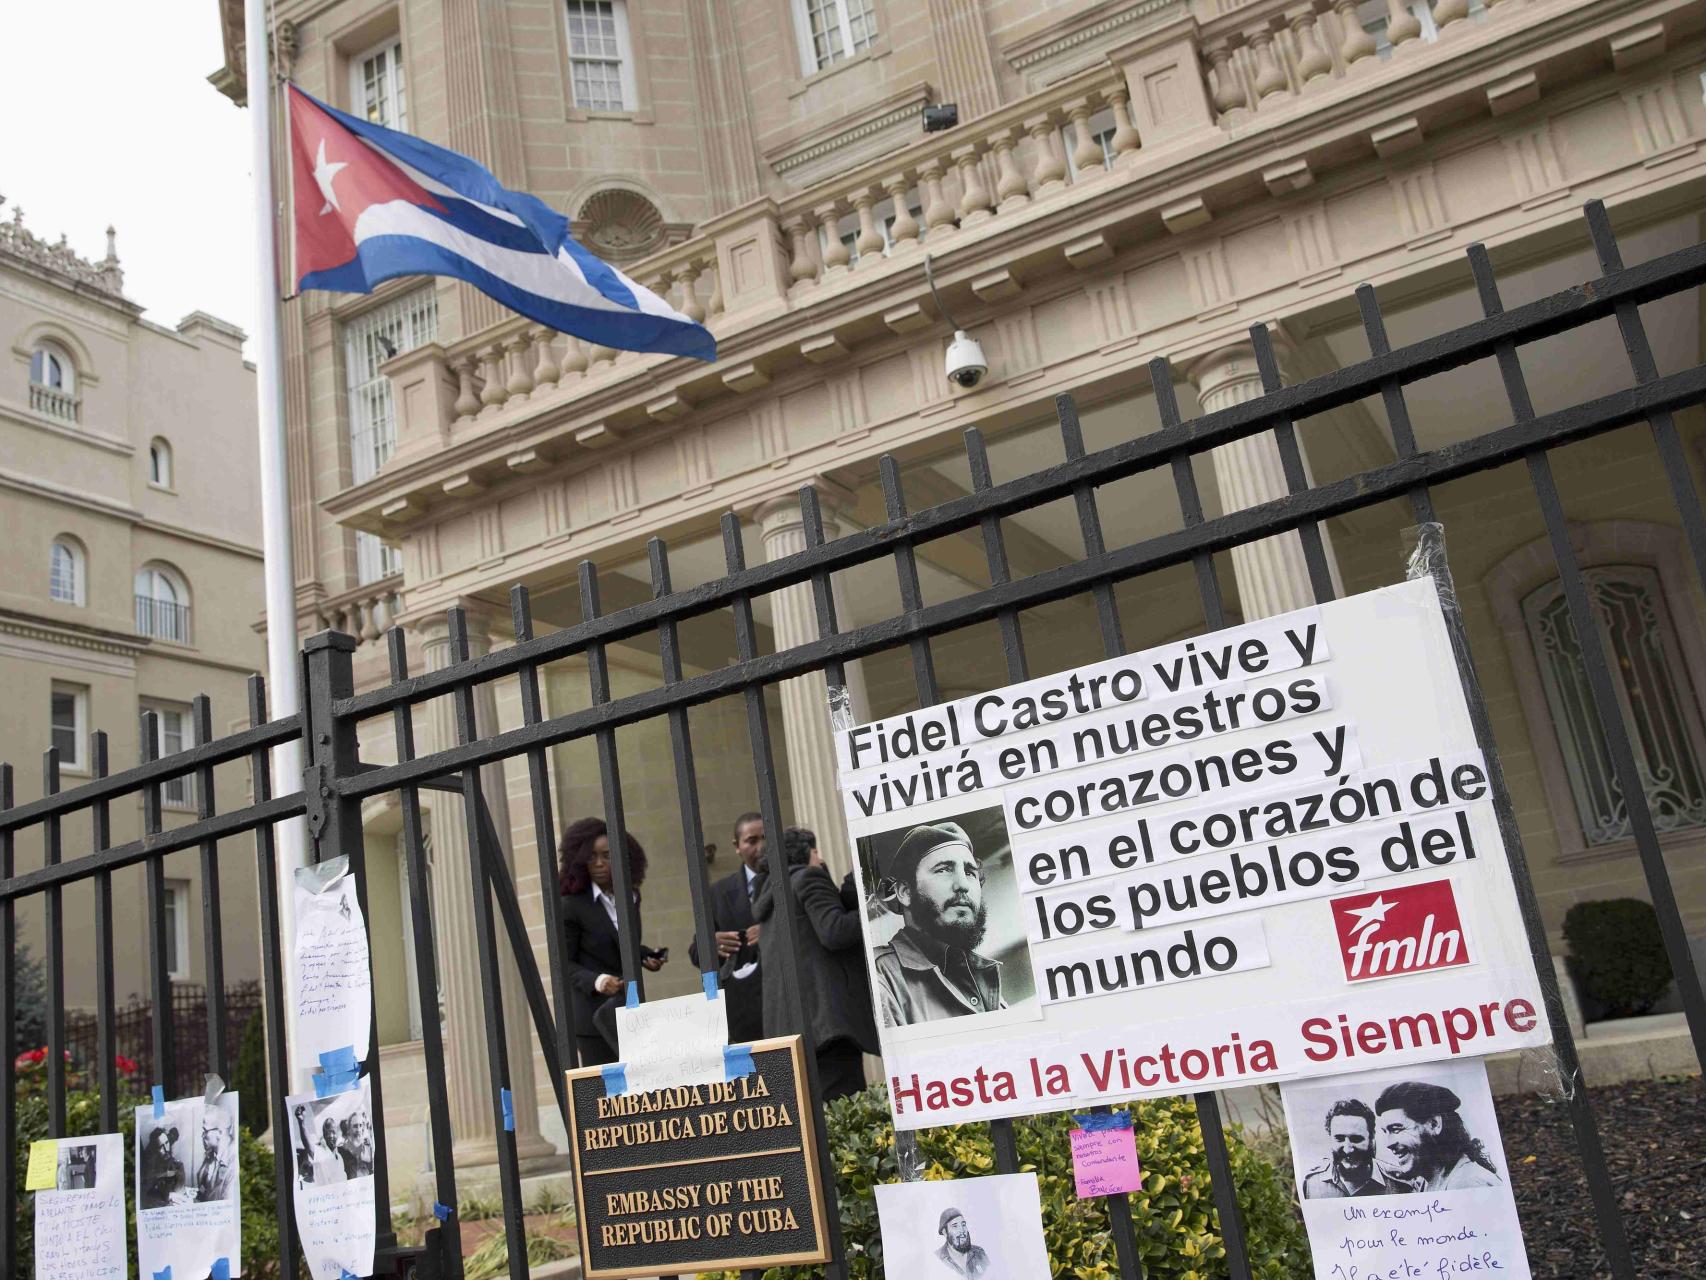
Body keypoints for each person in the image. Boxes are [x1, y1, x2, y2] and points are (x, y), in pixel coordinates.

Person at [750, 826, 878, 1099]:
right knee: (843, 1110)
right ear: (806, 852)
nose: (820, 858)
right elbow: (835, 931)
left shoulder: (773, 894)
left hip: (793, 1033)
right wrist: (875, 912)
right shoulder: (808, 878)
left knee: (816, 1119)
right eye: (816, 851)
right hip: (827, 1027)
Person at [872, 822, 1004, 1027]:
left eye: (970, 872)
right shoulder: (881, 978)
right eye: (943, 870)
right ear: (905, 892)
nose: (962, 884)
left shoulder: (985, 980)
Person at [559, 816, 666, 1067]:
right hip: (594, 1019)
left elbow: (616, 946)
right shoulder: (571, 906)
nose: (599, 863)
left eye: (607, 855)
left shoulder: (630, 896)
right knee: (608, 1096)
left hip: (630, 1012)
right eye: (592, 856)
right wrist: (598, 981)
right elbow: (565, 963)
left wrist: (645, 955)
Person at [687, 811, 767, 1044]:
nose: (761, 846)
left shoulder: (794, 880)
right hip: (744, 1010)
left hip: (790, 999)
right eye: (752, 841)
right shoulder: (718, 893)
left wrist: (771, 931)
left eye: (766, 837)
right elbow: (695, 952)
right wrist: (711, 944)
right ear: (737, 846)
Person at [1373, 1080, 1502, 1191]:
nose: (1388, 1144)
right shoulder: (1430, 1183)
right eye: (1385, 1132)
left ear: (1434, 1124)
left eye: (1396, 1129)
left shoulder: (1468, 1183)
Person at [1302, 1099, 1400, 1198]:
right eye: (1339, 1139)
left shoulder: (1400, 1184)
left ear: (1371, 1137)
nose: (1347, 1150)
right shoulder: (1310, 1184)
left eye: (1356, 1139)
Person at [195, 1104, 238, 1201]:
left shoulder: (233, 1160)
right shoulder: (210, 1157)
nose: (202, 1136)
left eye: (205, 1131)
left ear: (220, 1132)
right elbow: (203, 1191)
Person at [934, 1207, 992, 1278]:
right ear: (945, 1232)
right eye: (955, 1226)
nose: (962, 1230)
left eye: (963, 1225)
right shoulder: (937, 1259)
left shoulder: (979, 1254)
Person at [139, 1124, 184, 1207]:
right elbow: (146, 1189)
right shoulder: (150, 1160)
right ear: (155, 1149)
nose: (166, 1149)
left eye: (167, 1143)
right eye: (161, 1147)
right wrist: (164, 1174)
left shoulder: (168, 1142)